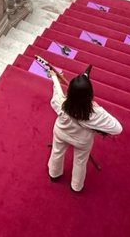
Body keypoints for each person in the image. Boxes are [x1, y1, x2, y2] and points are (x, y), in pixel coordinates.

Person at [47, 65, 122, 193]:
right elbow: (117, 128)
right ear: (90, 95)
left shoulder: (62, 101)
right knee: (80, 161)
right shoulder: (95, 113)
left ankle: (54, 174)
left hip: (61, 132)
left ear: (70, 92)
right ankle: (76, 186)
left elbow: (57, 91)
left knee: (57, 151)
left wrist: (54, 77)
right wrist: (98, 108)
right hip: (81, 140)